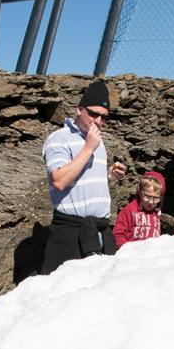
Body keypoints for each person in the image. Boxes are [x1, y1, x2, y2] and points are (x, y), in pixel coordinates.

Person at [40, 78, 129, 274]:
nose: (98, 121)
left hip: (100, 230)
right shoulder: (59, 139)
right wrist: (88, 148)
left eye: (103, 117)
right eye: (93, 114)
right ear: (79, 109)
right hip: (70, 232)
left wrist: (109, 176)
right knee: (62, 288)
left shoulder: (97, 140)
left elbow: (83, 177)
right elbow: (59, 181)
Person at [114, 170, 169, 247]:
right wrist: (126, 249)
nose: (151, 202)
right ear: (139, 192)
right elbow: (118, 234)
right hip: (132, 251)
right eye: (147, 196)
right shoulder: (129, 211)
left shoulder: (156, 213)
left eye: (156, 198)